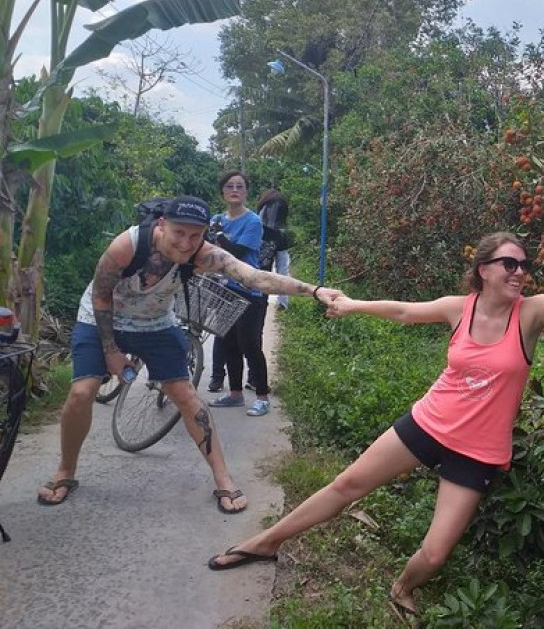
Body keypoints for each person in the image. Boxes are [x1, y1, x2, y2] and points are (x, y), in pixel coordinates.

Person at [207, 229, 544, 617]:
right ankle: (266, 542)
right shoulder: (457, 309)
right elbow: (403, 311)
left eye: (524, 265)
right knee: (347, 484)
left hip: (478, 451)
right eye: (510, 263)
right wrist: (353, 304)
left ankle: (403, 586)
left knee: (436, 554)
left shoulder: (530, 316)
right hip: (428, 422)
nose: (520, 272)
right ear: (483, 270)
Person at [36, 195, 339, 513]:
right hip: (101, 317)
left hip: (155, 323)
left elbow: (254, 277)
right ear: (162, 225)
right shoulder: (127, 245)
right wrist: (110, 351)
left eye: (195, 235)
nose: (185, 243)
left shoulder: (204, 255)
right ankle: (65, 471)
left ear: (204, 233)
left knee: (186, 395)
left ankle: (223, 478)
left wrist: (314, 290)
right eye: (179, 232)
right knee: (82, 391)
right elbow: (100, 295)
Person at [205, 171, 272, 417]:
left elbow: (238, 254)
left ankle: (263, 397)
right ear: (222, 191)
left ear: (246, 192)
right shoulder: (216, 218)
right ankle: (235, 394)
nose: (235, 189)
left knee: (250, 345)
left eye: (240, 186)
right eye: (229, 186)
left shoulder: (252, 221)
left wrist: (220, 234)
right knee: (229, 343)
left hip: (249, 291)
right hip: (224, 290)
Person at [257, 188, 291, 311]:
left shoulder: (280, 236)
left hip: (261, 289)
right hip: (239, 286)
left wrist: (283, 300)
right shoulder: (250, 225)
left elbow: (283, 268)